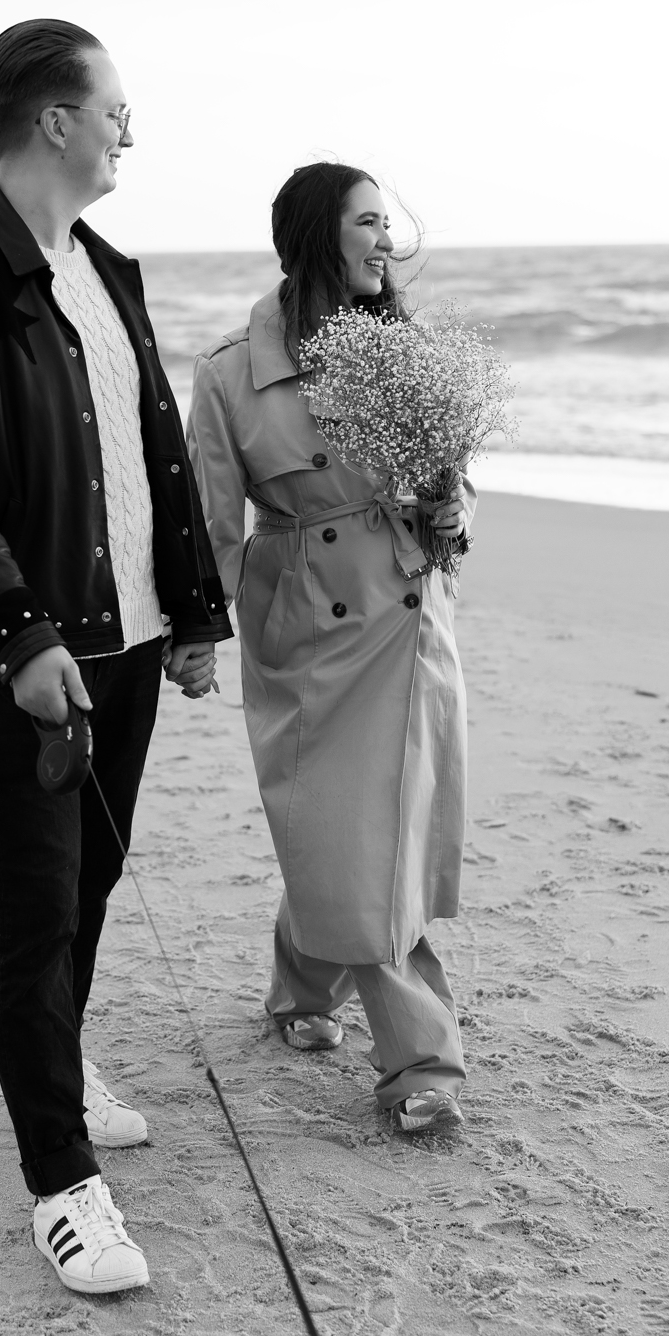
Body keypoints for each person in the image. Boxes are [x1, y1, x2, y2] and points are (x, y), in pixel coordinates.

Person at [0, 19, 233, 1293]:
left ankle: (59, 1065)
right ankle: (62, 1181)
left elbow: (148, 447)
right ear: (56, 121)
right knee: (34, 900)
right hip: (16, 653)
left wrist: (190, 607)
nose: (130, 129)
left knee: (92, 876)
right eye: (116, 108)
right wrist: (20, 630)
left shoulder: (105, 267)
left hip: (125, 635)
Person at [186, 162, 473, 1136]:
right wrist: (200, 629)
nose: (386, 240)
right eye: (366, 222)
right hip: (307, 621)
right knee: (342, 832)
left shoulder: (404, 347)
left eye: (388, 223)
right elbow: (213, 524)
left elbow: (450, 483)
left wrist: (450, 512)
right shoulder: (231, 372)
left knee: (372, 838)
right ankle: (392, 1045)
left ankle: (357, 1023)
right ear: (317, 235)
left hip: (406, 612)